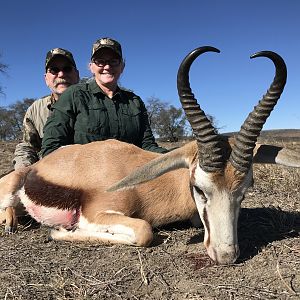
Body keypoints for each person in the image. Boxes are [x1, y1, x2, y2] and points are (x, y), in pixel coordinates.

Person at [40, 37, 167, 157]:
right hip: (83, 177)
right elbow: (51, 149)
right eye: (100, 62)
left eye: (113, 61)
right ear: (91, 67)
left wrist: (173, 156)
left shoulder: (135, 101)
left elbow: (148, 146)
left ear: (122, 66)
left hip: (130, 176)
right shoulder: (74, 95)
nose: (107, 67)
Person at [13, 48, 80, 169]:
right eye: (54, 70)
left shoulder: (94, 103)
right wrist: (24, 170)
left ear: (77, 74)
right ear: (46, 79)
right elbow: (27, 146)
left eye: (67, 69)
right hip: (49, 176)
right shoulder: (35, 109)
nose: (61, 74)